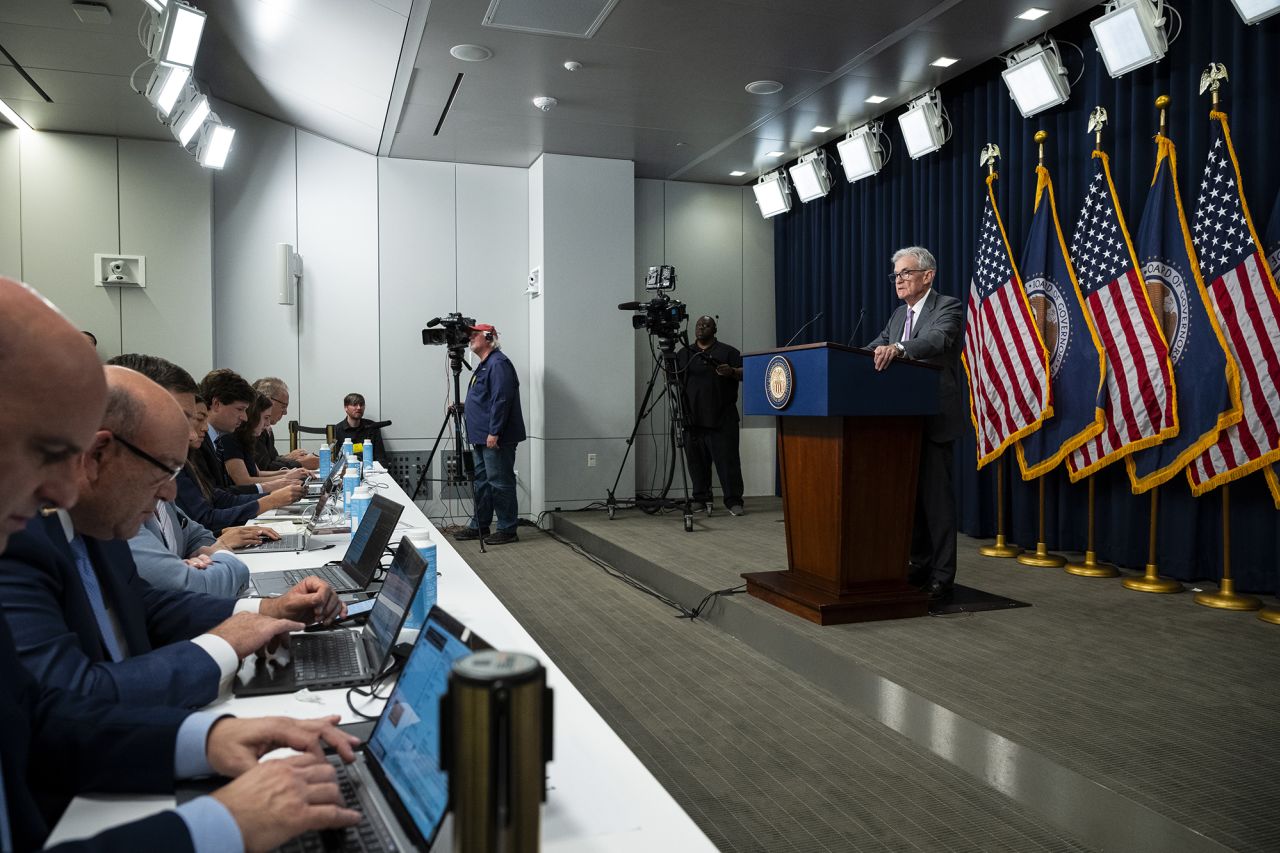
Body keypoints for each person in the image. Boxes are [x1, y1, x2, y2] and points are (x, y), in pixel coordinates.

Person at [0, 276, 362, 852]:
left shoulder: (80, 523)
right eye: (48, 453)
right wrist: (222, 825)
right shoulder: (29, 537)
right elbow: (73, 699)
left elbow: (50, 721)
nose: (63, 487)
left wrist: (211, 736)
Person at [0, 366, 346, 709]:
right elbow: (70, 700)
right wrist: (223, 644)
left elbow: (148, 606)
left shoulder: (96, 520)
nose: (169, 493)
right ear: (98, 454)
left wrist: (267, 608)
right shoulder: (18, 543)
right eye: (164, 471)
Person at [867, 246, 964, 599]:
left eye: (906, 273)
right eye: (896, 275)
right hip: (901, 422)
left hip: (934, 419)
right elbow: (878, 344)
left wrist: (900, 349)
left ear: (928, 275)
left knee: (937, 504)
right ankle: (918, 563)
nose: (899, 280)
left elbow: (936, 339)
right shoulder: (897, 315)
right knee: (909, 501)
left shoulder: (948, 307)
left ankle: (942, 574)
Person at [454, 323, 526, 545]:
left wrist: (494, 432)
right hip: (481, 436)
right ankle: (480, 525)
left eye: (474, 335)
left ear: (489, 337)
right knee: (482, 483)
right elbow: (486, 398)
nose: (470, 339)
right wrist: (466, 405)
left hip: (495, 437)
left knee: (500, 482)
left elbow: (501, 400)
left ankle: (507, 529)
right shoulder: (485, 365)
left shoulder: (498, 363)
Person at [676, 315, 746, 516]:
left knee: (728, 463)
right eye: (698, 325)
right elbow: (674, 377)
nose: (701, 328)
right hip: (693, 419)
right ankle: (700, 498)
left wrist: (732, 371)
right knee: (696, 463)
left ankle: (733, 501)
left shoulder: (728, 351)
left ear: (714, 329)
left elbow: (747, 372)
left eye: (706, 325)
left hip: (722, 418)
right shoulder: (685, 352)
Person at [253, 376, 319, 471]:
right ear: (268, 400)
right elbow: (264, 468)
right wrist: (300, 464)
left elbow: (270, 459)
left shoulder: (266, 428)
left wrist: (287, 457)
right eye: (283, 406)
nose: (285, 412)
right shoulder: (253, 429)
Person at [331, 392, 389, 464]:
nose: (359, 408)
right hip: (346, 471)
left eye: (361, 405)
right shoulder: (337, 430)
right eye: (354, 405)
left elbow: (381, 457)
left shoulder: (372, 426)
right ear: (346, 408)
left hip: (371, 471)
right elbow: (334, 460)